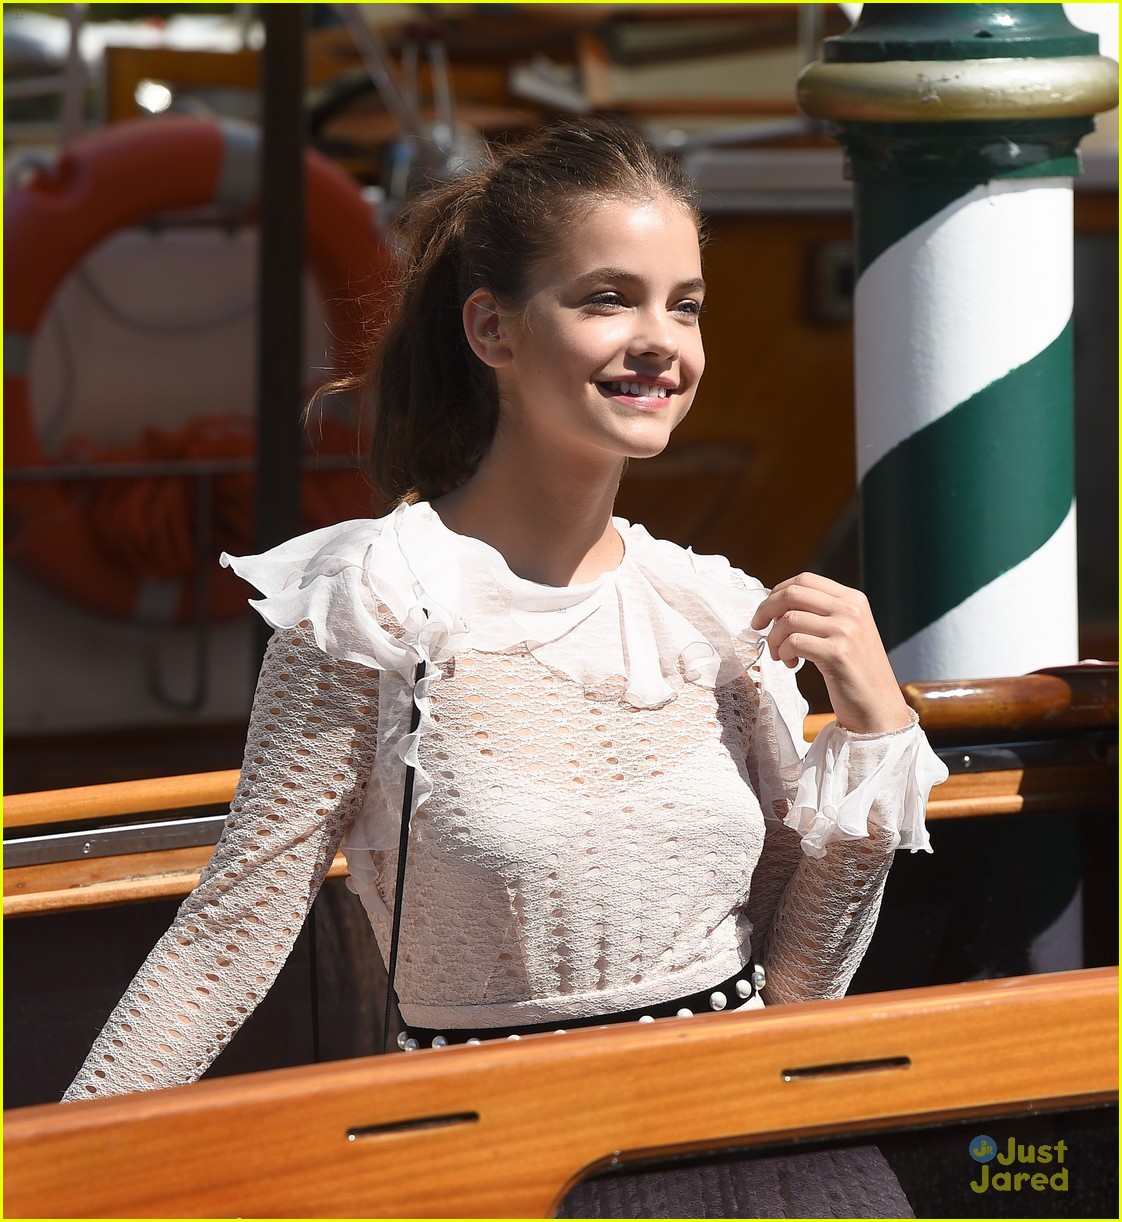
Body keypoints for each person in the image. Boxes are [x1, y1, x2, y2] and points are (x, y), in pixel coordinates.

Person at [64, 118, 947, 1216]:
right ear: (493, 328)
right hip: (501, 1168)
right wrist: (56, 1168)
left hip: (760, 1162)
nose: (661, 340)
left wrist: (872, 736)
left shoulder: (713, 612)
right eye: (607, 298)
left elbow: (801, 991)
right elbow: (226, 938)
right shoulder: (373, 608)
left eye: (686, 304)